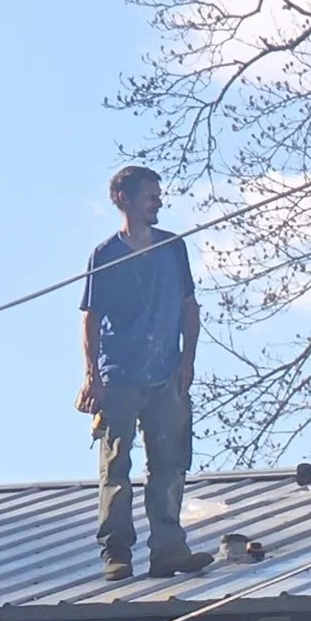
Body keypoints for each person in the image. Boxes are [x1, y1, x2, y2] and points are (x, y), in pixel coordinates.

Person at [78, 165, 213, 582]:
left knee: (170, 463)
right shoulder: (105, 255)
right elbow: (90, 317)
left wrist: (187, 359)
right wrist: (91, 377)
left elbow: (190, 308)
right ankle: (116, 553)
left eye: (158, 195)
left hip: (166, 372)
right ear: (124, 199)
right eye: (150, 195)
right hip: (119, 375)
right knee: (116, 467)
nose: (158, 202)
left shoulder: (173, 248)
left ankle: (169, 550)